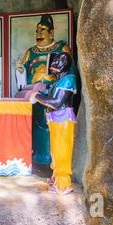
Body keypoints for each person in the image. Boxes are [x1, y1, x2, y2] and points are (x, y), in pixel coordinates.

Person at [15, 14, 74, 165]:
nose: (39, 34)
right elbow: (24, 76)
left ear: (52, 32)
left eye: (43, 30)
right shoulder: (30, 52)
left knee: (54, 134)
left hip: (54, 95)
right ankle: (37, 158)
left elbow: (69, 70)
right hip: (35, 96)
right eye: (37, 31)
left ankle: (54, 162)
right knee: (35, 127)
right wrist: (20, 71)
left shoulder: (61, 48)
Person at [30, 52, 77, 194]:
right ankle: (56, 178)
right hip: (56, 119)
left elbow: (56, 103)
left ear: (66, 64)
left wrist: (37, 96)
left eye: (60, 61)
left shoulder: (68, 80)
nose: (54, 64)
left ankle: (63, 184)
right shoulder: (59, 81)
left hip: (63, 119)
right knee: (56, 151)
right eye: (55, 60)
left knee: (62, 151)